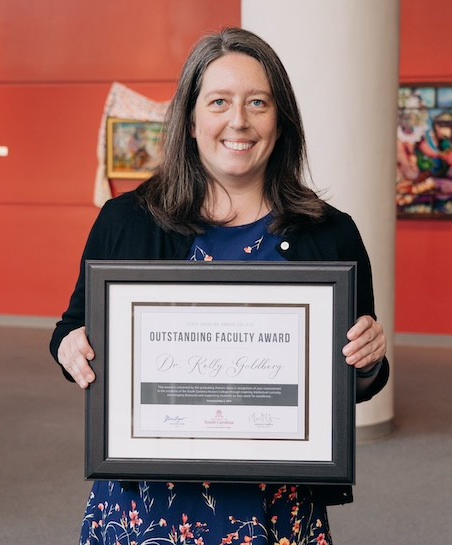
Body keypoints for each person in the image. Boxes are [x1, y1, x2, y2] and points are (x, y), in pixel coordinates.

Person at [50, 27, 389, 545]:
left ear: (281, 120)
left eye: (258, 102)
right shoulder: (126, 221)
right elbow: (71, 329)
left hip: (275, 507)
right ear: (189, 120)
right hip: (147, 506)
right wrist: (72, 347)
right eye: (219, 102)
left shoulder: (330, 233)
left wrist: (367, 362)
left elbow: (360, 378)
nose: (239, 121)